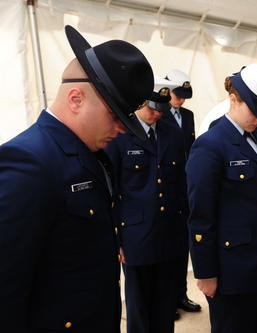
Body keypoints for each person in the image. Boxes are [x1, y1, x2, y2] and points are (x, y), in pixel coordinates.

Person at [0, 25, 154, 332]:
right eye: (115, 116)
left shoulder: (92, 152)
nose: (122, 129)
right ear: (75, 99)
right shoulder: (28, 162)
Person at [186, 64, 257, 333]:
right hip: (232, 268)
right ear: (234, 98)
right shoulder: (210, 144)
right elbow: (200, 215)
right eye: (254, 110)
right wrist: (205, 272)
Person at [105, 77, 187, 333]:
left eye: (161, 109)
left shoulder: (172, 132)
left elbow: (180, 182)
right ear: (138, 103)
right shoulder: (119, 133)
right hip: (136, 236)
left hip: (169, 233)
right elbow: (110, 190)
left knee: (165, 303)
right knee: (139, 305)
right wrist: (116, 239)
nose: (155, 114)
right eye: (151, 108)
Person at [161, 69, 202, 314]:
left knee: (182, 246)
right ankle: (167, 299)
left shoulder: (187, 116)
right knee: (166, 246)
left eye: (185, 95)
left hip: (185, 187)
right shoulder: (159, 114)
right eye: (178, 94)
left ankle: (180, 294)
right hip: (166, 187)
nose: (182, 100)